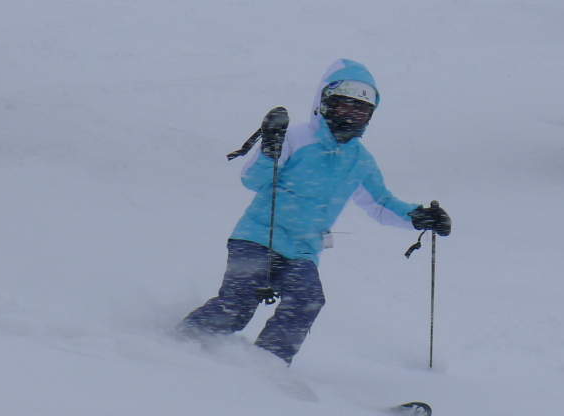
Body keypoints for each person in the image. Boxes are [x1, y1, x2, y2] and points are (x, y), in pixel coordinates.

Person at [177, 59, 451, 364]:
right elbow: (252, 180)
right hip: (255, 238)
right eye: (344, 107)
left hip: (303, 252)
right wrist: (269, 150)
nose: (351, 116)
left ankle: (267, 367)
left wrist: (417, 216)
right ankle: (181, 343)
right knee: (239, 303)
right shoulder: (295, 137)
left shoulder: (360, 160)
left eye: (360, 110)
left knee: (307, 301)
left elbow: (380, 203)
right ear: (324, 103)